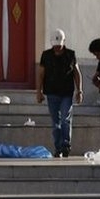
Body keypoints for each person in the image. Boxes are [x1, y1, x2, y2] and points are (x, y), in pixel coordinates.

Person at [36, 29, 83, 157]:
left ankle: (66, 145)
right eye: (55, 46)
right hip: (51, 93)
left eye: (59, 46)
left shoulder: (70, 55)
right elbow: (41, 74)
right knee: (55, 123)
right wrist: (39, 91)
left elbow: (76, 73)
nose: (57, 48)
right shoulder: (46, 55)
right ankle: (58, 147)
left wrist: (79, 90)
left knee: (65, 120)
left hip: (66, 93)